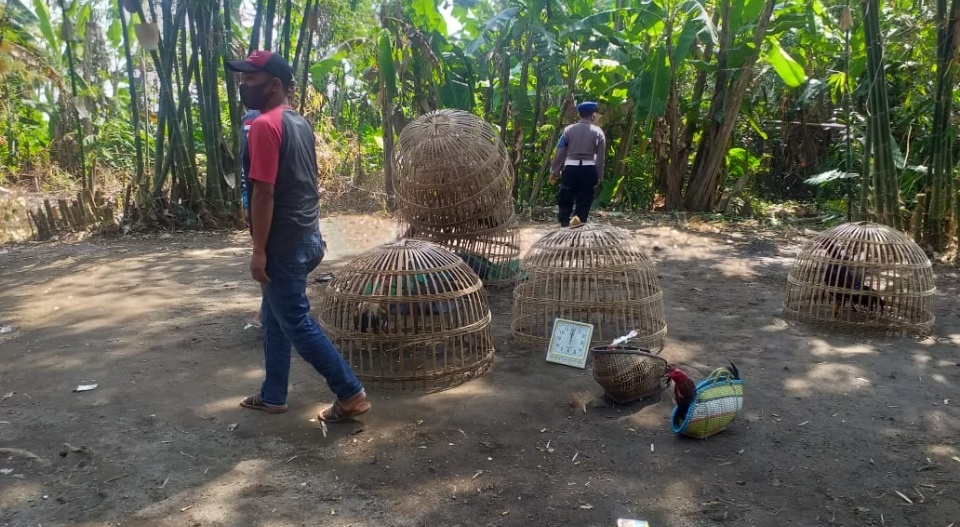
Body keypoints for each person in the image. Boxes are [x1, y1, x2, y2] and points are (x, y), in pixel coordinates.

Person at [225, 50, 371, 422]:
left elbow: (264, 192)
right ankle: (273, 394)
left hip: (283, 242)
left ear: (274, 85)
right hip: (307, 236)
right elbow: (303, 184)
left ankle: (350, 393)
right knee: (275, 317)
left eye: (250, 80)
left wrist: (259, 250)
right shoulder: (299, 123)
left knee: (296, 322)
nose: (243, 86)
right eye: (242, 79)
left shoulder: (263, 126)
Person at [549, 101, 607, 227]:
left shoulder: (568, 130)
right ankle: (577, 228)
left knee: (566, 198)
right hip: (588, 170)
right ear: (592, 115)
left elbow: (560, 151)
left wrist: (554, 171)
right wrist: (598, 176)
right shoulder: (598, 133)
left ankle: (564, 225)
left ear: (579, 114)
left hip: (570, 169)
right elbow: (600, 158)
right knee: (584, 201)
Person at [238, 108, 263, 330]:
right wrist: (247, 200)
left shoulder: (258, 120)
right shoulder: (251, 120)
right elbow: (247, 169)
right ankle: (267, 313)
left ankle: (267, 314)